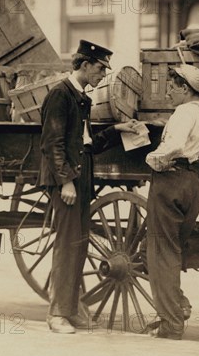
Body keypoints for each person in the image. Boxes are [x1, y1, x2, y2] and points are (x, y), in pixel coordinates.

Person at [39, 39, 140, 334]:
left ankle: (71, 309)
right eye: (99, 69)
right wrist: (66, 181)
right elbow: (51, 144)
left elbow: (87, 144)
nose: (102, 75)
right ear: (84, 65)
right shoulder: (60, 95)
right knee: (66, 244)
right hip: (67, 178)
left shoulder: (81, 97)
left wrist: (115, 130)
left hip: (81, 174)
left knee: (78, 244)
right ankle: (57, 313)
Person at [145, 64, 199, 340]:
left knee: (161, 252)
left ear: (185, 89)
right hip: (193, 186)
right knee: (173, 250)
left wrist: (152, 158)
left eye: (173, 88)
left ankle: (171, 324)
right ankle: (178, 304)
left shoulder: (183, 113)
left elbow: (174, 146)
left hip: (170, 183)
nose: (169, 93)